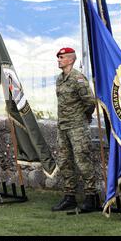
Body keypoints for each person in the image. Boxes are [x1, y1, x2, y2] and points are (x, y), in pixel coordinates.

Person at [52, 47, 100, 212]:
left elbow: (90, 102)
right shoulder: (60, 79)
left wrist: (82, 117)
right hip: (63, 127)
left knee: (82, 161)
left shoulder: (78, 78)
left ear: (70, 60)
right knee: (65, 162)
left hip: (78, 127)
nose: (58, 59)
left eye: (62, 57)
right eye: (58, 57)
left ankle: (91, 197)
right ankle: (70, 197)